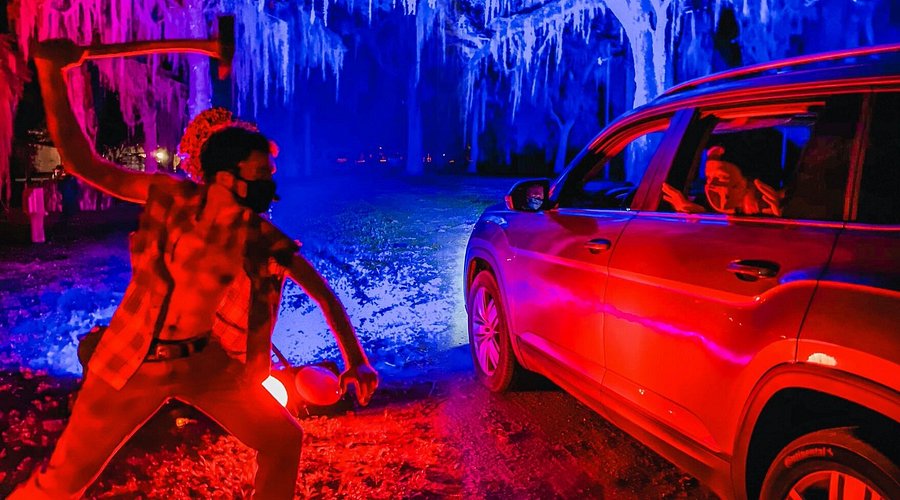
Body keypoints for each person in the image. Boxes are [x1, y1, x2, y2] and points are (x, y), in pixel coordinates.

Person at [12, 39, 378, 499]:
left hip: (203, 364)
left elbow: (323, 294)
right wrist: (51, 74)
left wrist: (357, 361)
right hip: (133, 362)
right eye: (261, 174)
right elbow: (83, 163)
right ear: (226, 177)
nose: (270, 183)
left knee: (283, 438)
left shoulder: (259, 238)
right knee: (62, 480)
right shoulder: (169, 198)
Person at [662, 145, 784, 216]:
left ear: (747, 184)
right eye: (708, 177)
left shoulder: (763, 209)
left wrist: (778, 218)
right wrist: (694, 216)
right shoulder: (700, 204)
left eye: (721, 177)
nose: (711, 184)